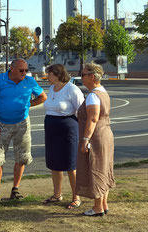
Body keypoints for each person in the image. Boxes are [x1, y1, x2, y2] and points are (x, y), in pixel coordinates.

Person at [0, 58, 47, 202]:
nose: (24, 73)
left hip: (22, 124)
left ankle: (15, 189)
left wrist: (27, 105)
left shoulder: (29, 81)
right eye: (21, 70)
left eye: (26, 70)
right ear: (11, 69)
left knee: (22, 157)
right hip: (2, 124)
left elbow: (43, 97)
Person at [76, 62, 115, 217]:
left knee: (96, 169)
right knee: (104, 169)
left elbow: (92, 119)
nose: (81, 77)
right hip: (106, 134)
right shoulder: (102, 91)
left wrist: (85, 139)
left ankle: (98, 207)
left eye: (83, 74)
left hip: (96, 136)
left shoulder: (93, 95)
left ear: (92, 76)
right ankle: (103, 205)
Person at [42, 64, 84, 209]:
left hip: (67, 129)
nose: (47, 77)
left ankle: (76, 197)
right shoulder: (51, 88)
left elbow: (82, 110)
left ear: (57, 74)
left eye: (49, 74)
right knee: (54, 163)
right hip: (51, 129)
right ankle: (57, 194)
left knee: (70, 164)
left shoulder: (71, 89)